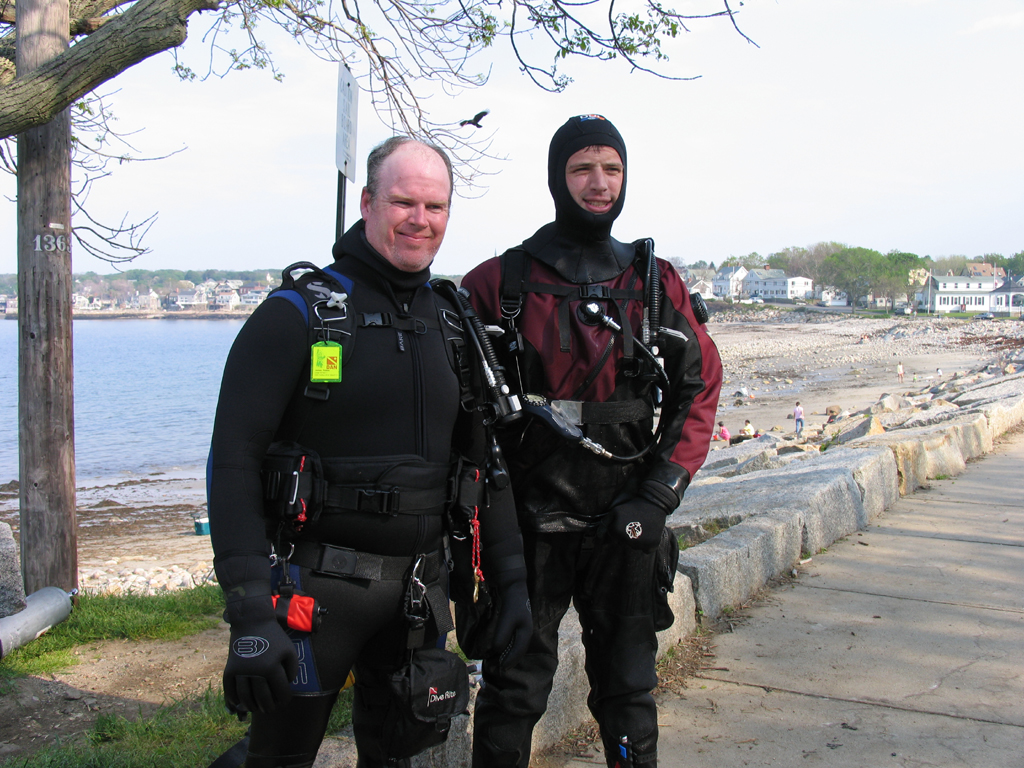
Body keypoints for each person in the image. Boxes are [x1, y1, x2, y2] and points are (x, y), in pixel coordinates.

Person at [207, 137, 533, 768]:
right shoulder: (296, 316)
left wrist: (512, 582)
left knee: (396, 758)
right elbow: (233, 462)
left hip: (418, 591)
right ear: (367, 202)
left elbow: (485, 467)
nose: (420, 219)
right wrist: (249, 609)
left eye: (435, 205)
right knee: (275, 758)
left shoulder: (453, 323)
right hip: (314, 593)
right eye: (404, 201)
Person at [461, 114, 723, 768]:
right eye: (583, 168)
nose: (598, 182)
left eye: (611, 168)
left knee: (629, 690)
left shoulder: (654, 283)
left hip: (627, 523)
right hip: (526, 529)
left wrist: (660, 494)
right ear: (557, 177)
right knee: (514, 689)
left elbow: (701, 386)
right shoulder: (499, 283)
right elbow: (457, 408)